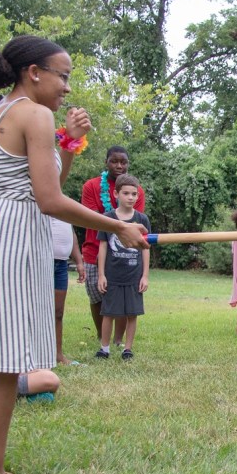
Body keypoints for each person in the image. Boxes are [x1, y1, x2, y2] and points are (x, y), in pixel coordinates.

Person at [0, 35, 148, 474]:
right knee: (0, 362)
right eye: (64, 76)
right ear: (33, 72)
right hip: (12, 234)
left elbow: (46, 178)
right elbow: (50, 198)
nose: (67, 88)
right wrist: (117, 226)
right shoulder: (35, 114)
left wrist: (70, 143)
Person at [81, 146, 146, 345]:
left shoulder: (135, 190)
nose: (119, 165)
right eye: (114, 161)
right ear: (106, 162)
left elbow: (134, 224)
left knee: (121, 296)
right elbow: (89, 218)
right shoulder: (91, 186)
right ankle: (103, 336)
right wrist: (112, 222)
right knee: (96, 295)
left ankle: (117, 340)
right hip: (95, 248)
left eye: (123, 162)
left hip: (123, 253)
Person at [95, 174, 151, 360]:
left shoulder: (142, 219)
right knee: (108, 312)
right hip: (112, 275)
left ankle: (128, 348)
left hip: (133, 274)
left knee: (132, 313)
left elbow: (145, 249)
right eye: (126, 193)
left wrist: (145, 275)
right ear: (116, 193)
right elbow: (103, 246)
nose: (131, 197)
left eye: (134, 194)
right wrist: (101, 274)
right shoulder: (108, 219)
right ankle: (104, 348)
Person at [51, 217, 85, 365]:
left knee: (58, 312)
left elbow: (70, 233)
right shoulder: (40, 200)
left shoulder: (62, 204)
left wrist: (78, 261)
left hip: (61, 264)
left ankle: (58, 355)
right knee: (36, 312)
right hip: (41, 261)